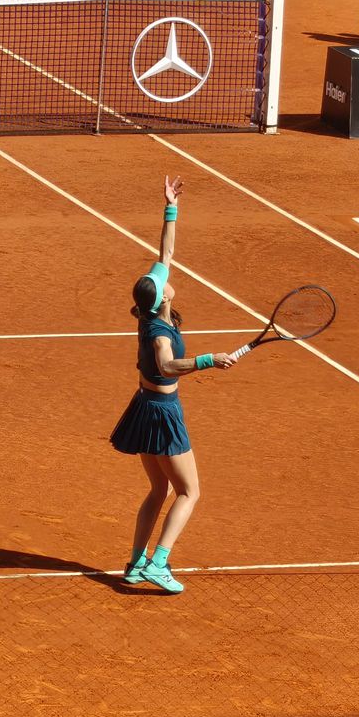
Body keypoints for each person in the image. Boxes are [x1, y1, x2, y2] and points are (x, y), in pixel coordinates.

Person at [108, 176, 233, 594]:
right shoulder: (160, 332)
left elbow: (167, 252)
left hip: (143, 408)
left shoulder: (150, 306)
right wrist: (208, 360)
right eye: (163, 280)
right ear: (163, 297)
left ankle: (134, 563)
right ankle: (159, 563)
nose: (166, 274)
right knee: (189, 492)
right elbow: (166, 364)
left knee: (157, 489)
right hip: (162, 413)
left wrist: (171, 208)